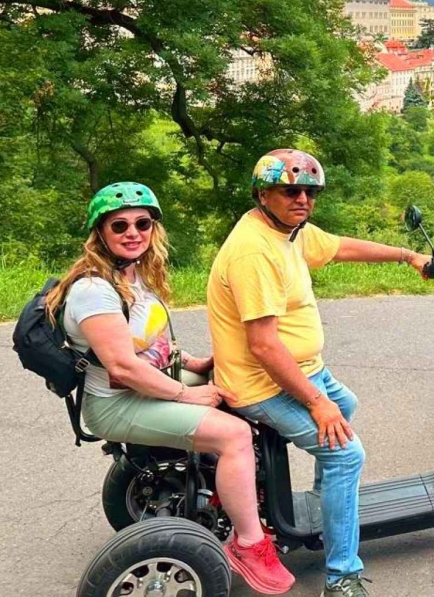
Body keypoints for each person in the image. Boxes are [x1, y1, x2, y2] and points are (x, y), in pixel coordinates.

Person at [48, 183, 295, 595]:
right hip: (117, 402)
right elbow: (123, 367)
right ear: (100, 233)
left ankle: (235, 491)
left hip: (139, 388)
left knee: (231, 385)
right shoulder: (94, 290)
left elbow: (148, 343)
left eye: (142, 223)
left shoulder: (130, 274)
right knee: (233, 435)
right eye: (119, 225)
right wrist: (187, 394)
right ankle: (250, 544)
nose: (133, 232)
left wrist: (196, 365)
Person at [206, 150, 432, 597]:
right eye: (291, 191)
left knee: (345, 405)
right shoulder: (255, 251)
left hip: (299, 369)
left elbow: (340, 247)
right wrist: (315, 400)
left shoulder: (288, 232)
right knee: (346, 454)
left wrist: (407, 255)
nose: (303, 199)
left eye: (310, 192)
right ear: (263, 193)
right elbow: (264, 345)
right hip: (260, 384)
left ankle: (325, 506)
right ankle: (341, 575)